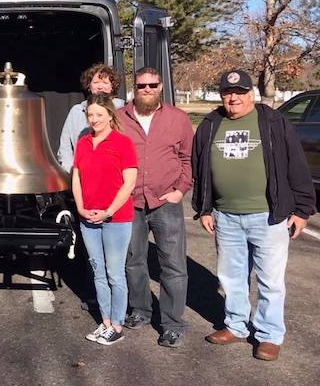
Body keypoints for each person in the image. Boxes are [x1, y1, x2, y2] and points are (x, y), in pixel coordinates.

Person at [192, 69, 316, 361]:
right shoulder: (210, 124)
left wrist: (302, 209)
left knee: (270, 281)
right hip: (226, 216)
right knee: (232, 277)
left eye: (239, 92)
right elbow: (200, 168)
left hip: (268, 216)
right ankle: (235, 326)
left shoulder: (274, 122)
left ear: (251, 94)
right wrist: (205, 208)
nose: (233, 98)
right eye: (227, 93)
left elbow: (296, 166)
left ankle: (269, 335)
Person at [118, 67, 193, 348]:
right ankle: (140, 310)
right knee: (133, 261)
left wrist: (180, 190)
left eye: (152, 85)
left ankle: (172, 323)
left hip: (165, 201)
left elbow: (187, 159)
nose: (147, 89)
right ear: (134, 88)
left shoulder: (178, 119)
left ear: (161, 86)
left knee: (173, 265)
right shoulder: (120, 118)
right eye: (141, 85)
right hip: (130, 201)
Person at [72, 94, 138, 345]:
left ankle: (117, 324)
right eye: (90, 115)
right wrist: (80, 207)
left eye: (99, 114)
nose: (94, 119)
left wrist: (109, 211)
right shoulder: (83, 143)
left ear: (110, 115)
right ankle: (106, 321)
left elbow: (129, 183)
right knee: (98, 271)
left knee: (115, 273)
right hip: (88, 218)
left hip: (116, 219)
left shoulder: (123, 143)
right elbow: (76, 179)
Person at [58, 63, 125, 172]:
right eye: (96, 82)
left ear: (112, 86)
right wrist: (72, 171)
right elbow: (65, 147)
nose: (100, 86)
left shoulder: (123, 109)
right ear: (89, 86)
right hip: (82, 176)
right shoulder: (77, 111)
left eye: (105, 82)